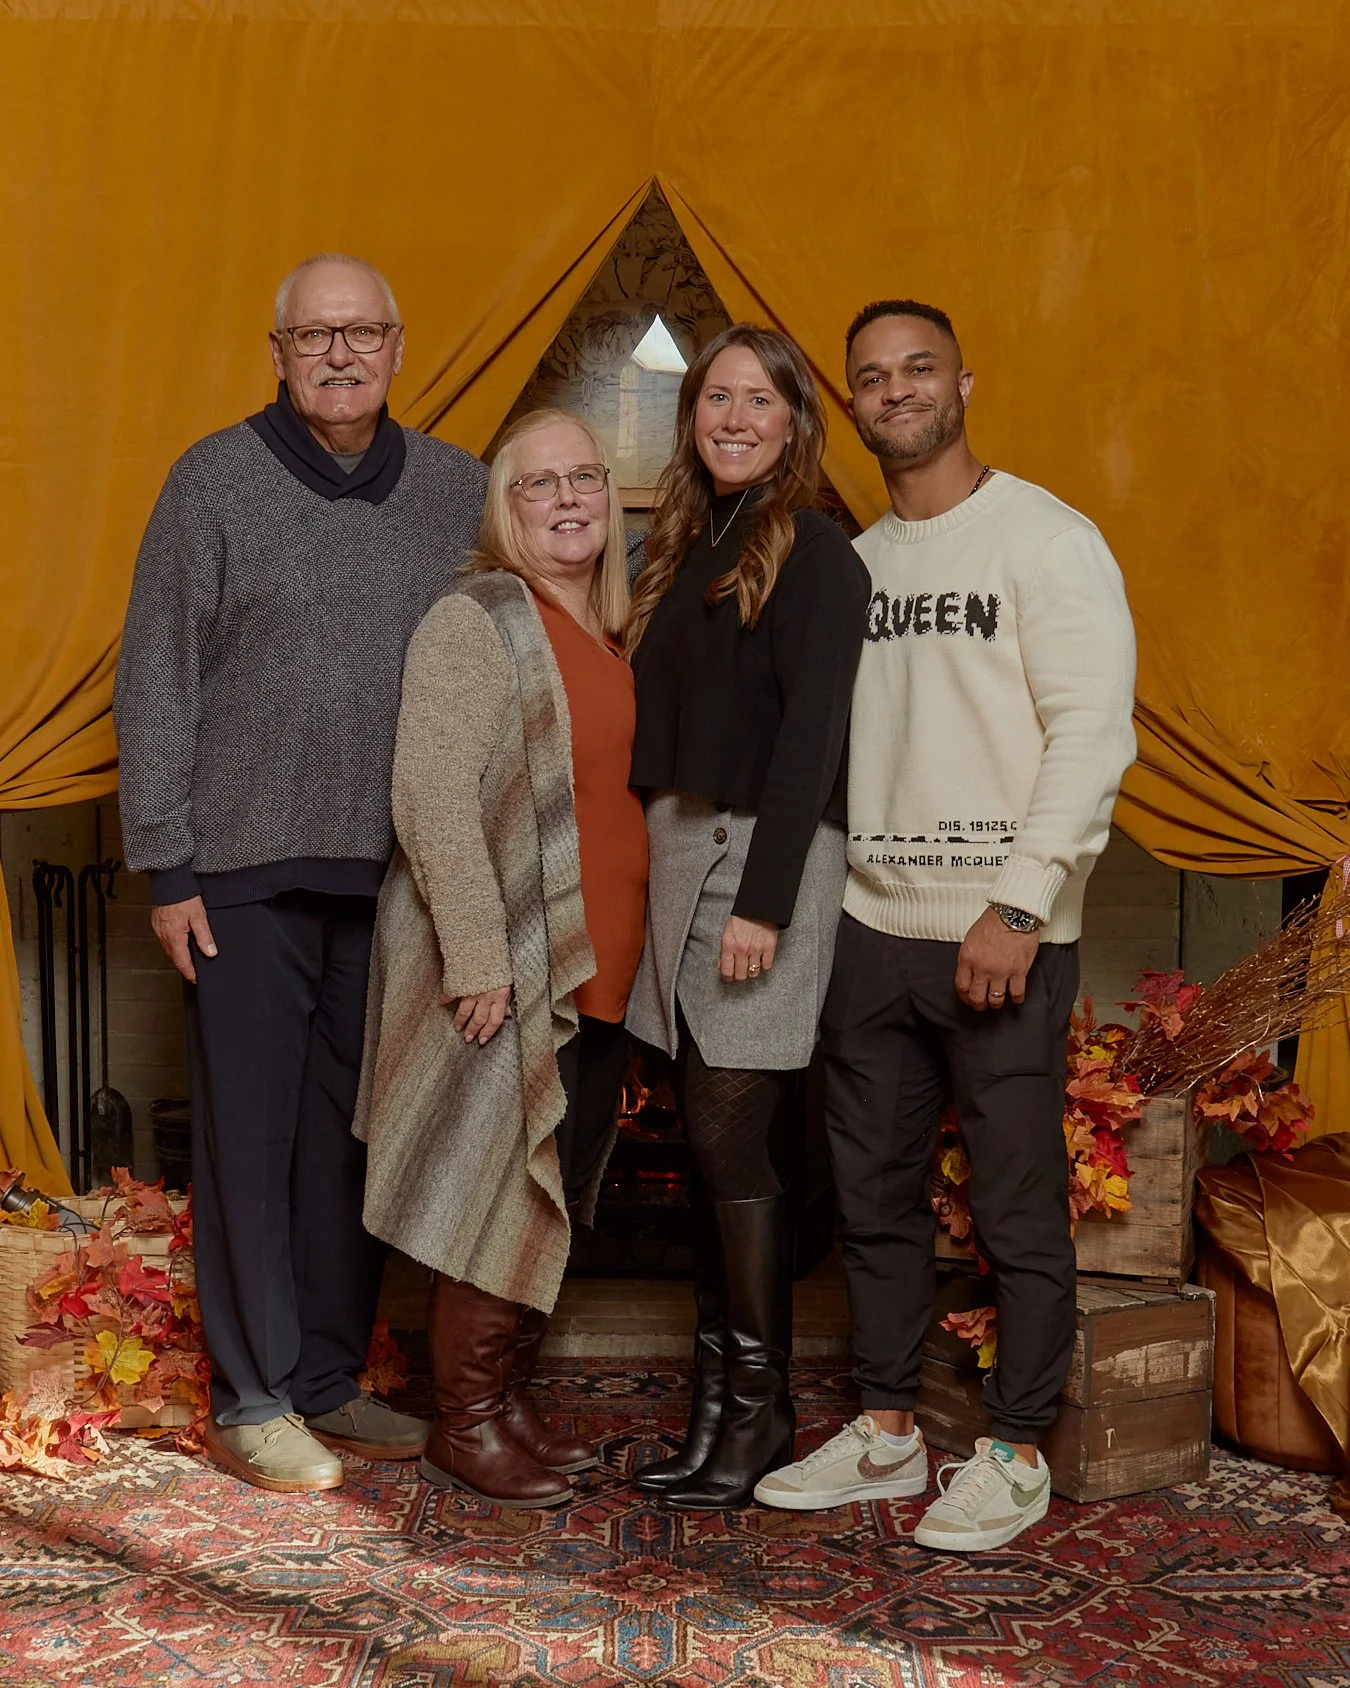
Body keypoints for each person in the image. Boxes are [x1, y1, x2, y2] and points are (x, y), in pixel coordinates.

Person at [754, 300, 1137, 1551]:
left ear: (964, 382)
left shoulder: (1046, 538)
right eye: (872, 377)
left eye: (919, 368)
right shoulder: (854, 563)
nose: (897, 390)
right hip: (871, 924)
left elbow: (1091, 733)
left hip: (1002, 929)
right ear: (851, 404)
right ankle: (885, 1430)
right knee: (872, 1199)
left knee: (1018, 1205)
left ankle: (1016, 1446)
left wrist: (1021, 900)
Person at [113, 253, 489, 1493]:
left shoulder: (456, 487)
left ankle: (329, 1375)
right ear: (277, 352)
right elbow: (156, 674)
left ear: (396, 346)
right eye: (316, 334)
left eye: (362, 332)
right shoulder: (212, 480)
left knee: (352, 1144)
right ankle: (253, 1395)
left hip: (397, 879)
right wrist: (167, 864)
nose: (340, 353)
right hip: (238, 875)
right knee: (252, 1139)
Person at [354, 410, 648, 1509]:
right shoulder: (476, 617)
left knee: (551, 1185)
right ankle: (465, 1422)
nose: (568, 498)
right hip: (515, 959)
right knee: (499, 1187)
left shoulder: (609, 628)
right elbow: (429, 794)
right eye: (539, 483)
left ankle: (506, 1399)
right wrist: (479, 957)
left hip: (599, 958)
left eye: (585, 477)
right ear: (504, 506)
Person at [625, 324, 871, 1511]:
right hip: (682, 852)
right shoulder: (681, 545)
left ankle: (761, 1406)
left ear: (794, 422)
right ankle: (716, 1404)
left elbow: (814, 735)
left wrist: (765, 904)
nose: (732, 417)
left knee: (732, 1139)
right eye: (715, 396)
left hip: (763, 857)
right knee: (703, 1142)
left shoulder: (818, 553)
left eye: (758, 400)